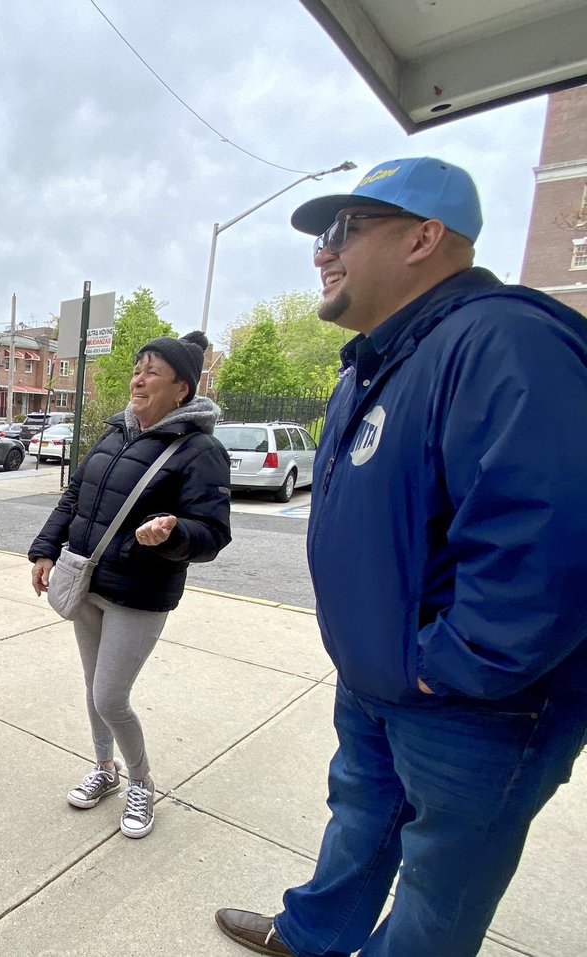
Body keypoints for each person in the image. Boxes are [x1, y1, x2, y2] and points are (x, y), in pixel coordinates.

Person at [216, 157, 587, 957]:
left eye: (344, 228)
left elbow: (552, 539)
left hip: (476, 702)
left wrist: (447, 663)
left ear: (424, 238)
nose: (322, 250)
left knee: (438, 890)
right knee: (359, 814)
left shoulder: (508, 340)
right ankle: (312, 935)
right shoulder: (374, 365)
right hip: (380, 676)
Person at [29, 331, 231, 839]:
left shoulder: (201, 450)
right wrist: (44, 548)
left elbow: (212, 533)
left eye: (152, 372)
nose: (138, 380)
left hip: (140, 593)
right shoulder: (115, 434)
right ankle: (105, 769)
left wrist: (173, 534)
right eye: (137, 371)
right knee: (93, 688)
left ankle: (141, 781)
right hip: (88, 581)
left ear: (181, 389)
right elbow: (74, 497)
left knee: (110, 697)